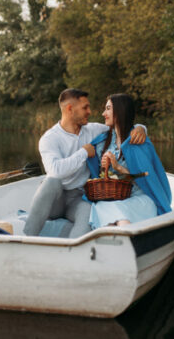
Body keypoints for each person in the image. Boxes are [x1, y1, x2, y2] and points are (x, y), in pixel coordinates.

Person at [24, 88, 147, 238]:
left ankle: (72, 253)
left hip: (78, 198)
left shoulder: (93, 130)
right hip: (55, 199)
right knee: (51, 182)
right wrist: (83, 152)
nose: (90, 111)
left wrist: (141, 128)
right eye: (85, 107)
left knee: (89, 212)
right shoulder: (49, 138)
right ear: (70, 109)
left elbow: (121, 127)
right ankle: (26, 238)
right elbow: (55, 171)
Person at [85, 94, 171, 229]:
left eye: (108, 109)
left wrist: (118, 167)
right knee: (102, 205)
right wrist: (103, 167)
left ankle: (128, 235)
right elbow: (103, 176)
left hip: (141, 197)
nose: (103, 113)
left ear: (120, 111)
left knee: (115, 210)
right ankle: (114, 242)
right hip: (115, 197)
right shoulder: (103, 142)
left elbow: (146, 178)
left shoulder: (139, 141)